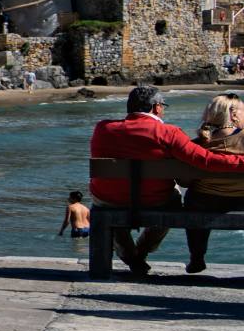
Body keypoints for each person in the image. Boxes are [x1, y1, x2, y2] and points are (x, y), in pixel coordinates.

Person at [88, 85, 244, 277]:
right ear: (157, 107)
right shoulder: (168, 132)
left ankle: (130, 254)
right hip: (155, 199)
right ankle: (142, 249)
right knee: (174, 201)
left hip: (108, 199)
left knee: (105, 205)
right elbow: (205, 160)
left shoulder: (102, 128)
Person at [185, 92, 244, 274]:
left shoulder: (198, 144)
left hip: (205, 202)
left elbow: (184, 180)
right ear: (233, 115)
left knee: (192, 198)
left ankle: (197, 257)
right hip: (242, 200)